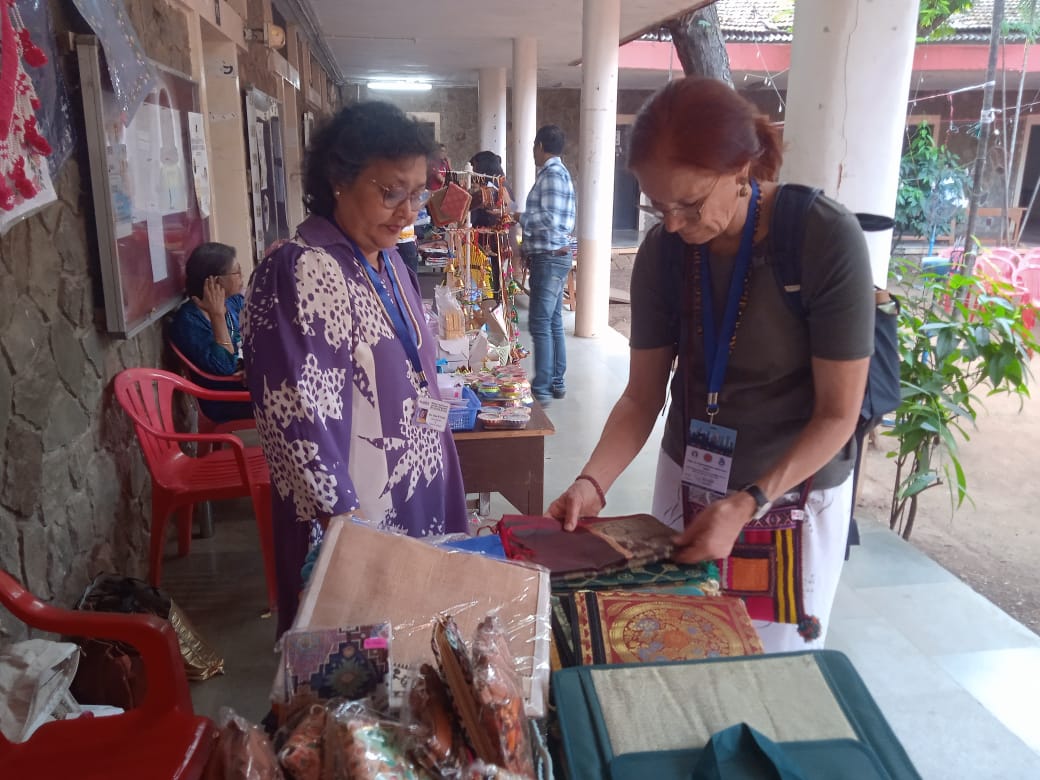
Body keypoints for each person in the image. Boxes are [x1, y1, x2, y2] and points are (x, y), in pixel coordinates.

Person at [547, 77, 874, 653]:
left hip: (789, 496)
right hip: (688, 480)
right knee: (677, 648)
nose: (673, 223)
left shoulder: (821, 236)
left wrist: (749, 502)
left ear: (743, 167)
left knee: (768, 664)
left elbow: (837, 415)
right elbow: (643, 396)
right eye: (657, 206)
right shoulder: (665, 252)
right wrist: (591, 481)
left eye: (690, 204)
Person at [242, 102, 469, 634]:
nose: (409, 209)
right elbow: (296, 420)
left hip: (419, 485)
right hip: (358, 515)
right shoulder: (301, 270)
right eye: (392, 192)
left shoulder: (386, 259)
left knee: (425, 652)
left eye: (417, 193)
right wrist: (345, 533)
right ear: (339, 180)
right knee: (360, 672)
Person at [519, 125, 575, 403]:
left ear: (540, 146)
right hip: (552, 257)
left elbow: (551, 220)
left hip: (550, 259)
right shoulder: (555, 174)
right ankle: (555, 381)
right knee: (552, 322)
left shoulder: (552, 175)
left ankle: (541, 388)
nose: (532, 152)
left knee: (540, 323)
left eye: (533, 146)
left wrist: (521, 217)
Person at [168, 242, 252, 423]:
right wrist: (217, 316)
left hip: (249, 384)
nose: (241, 276)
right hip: (226, 398)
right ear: (215, 281)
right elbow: (224, 367)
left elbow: (257, 337)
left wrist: (251, 366)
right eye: (236, 272)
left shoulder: (234, 301)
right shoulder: (188, 322)